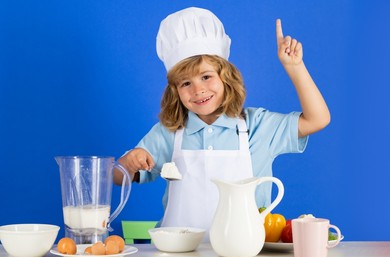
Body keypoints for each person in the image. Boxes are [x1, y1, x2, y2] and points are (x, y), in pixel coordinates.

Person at [114, 7, 330, 233]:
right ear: (175, 90)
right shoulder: (170, 132)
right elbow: (119, 177)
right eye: (185, 83)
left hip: (245, 256)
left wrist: (295, 68)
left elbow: (318, 119)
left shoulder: (258, 126)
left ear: (226, 77)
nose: (198, 90)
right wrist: (128, 163)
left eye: (206, 77)